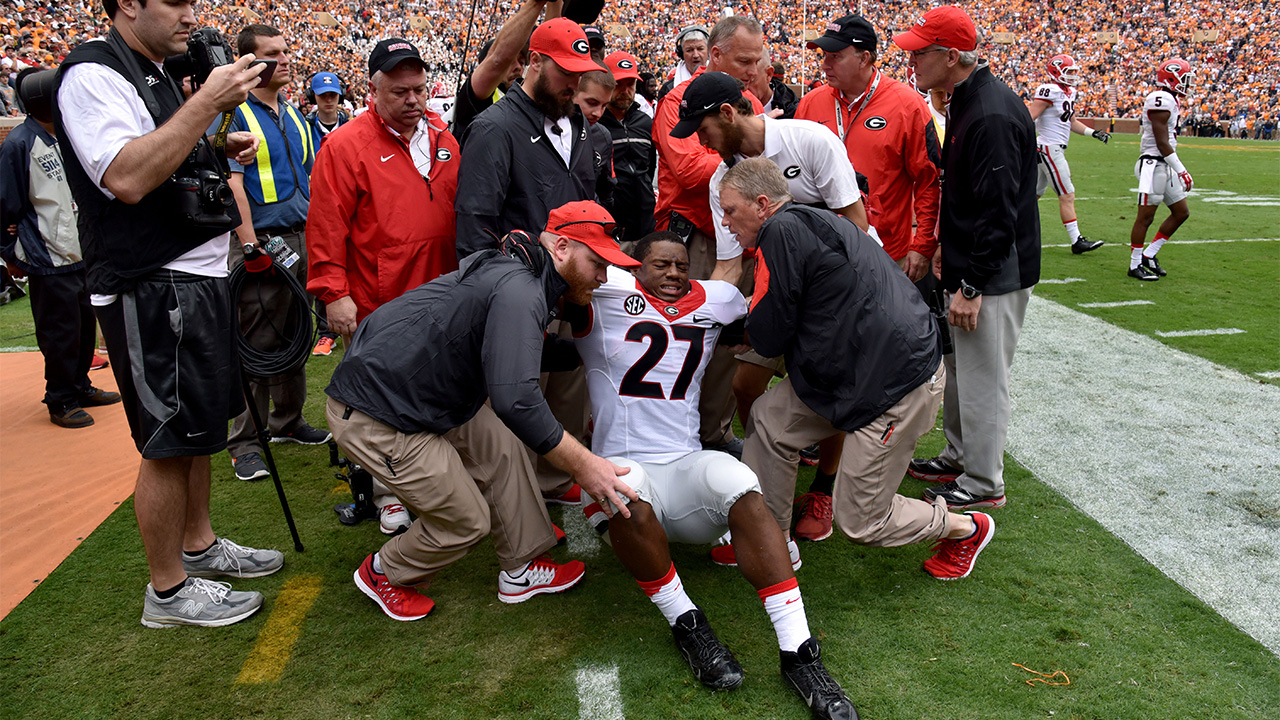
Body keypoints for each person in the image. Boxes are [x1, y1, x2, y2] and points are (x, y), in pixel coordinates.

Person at [54, 0, 283, 627]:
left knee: (200, 430)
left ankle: (199, 544)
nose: (191, 14)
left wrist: (210, 145)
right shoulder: (93, 73)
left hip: (192, 273)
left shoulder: (151, 66)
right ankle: (167, 591)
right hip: (151, 282)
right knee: (167, 442)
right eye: (176, 1)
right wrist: (206, 105)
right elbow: (126, 176)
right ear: (128, 4)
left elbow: (162, 155)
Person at [569, 232, 857, 720]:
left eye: (682, 264)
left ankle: (798, 652)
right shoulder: (606, 289)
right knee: (625, 492)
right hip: (621, 464)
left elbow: (765, 316)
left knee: (740, 484)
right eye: (661, 264)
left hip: (684, 462)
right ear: (635, 267)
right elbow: (568, 279)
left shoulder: (717, 298)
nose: (674, 273)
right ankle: (689, 625)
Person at [326, 201, 638, 621]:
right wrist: (584, 464)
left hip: (425, 392)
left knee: (502, 449)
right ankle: (385, 571)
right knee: (464, 521)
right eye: (597, 262)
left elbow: (507, 347)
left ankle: (521, 567)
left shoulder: (522, 272)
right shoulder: (521, 286)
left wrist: (584, 354)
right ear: (562, 247)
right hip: (378, 410)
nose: (603, 276)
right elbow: (517, 399)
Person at [719, 157, 995, 584]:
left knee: (862, 520)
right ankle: (773, 541)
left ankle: (965, 527)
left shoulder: (782, 229)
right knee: (771, 420)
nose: (725, 221)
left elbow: (771, 333)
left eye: (730, 210)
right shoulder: (807, 219)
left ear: (761, 204)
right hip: (859, 370)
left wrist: (726, 329)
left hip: (892, 386)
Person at [306, 38, 461, 534]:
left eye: (418, 89)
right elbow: (326, 223)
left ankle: (438, 481)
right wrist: (333, 291)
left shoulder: (443, 135)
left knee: (438, 387)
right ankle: (386, 493)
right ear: (373, 89)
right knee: (382, 401)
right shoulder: (345, 144)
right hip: (380, 297)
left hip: (440, 290)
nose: (412, 99)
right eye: (399, 91)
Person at [894, 6, 1040, 511]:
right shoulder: (970, 99)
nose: (912, 58)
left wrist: (973, 284)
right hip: (975, 264)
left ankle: (983, 482)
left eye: (920, 50)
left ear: (951, 56)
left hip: (994, 272)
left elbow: (997, 214)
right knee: (962, 371)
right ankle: (961, 454)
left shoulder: (990, 111)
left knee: (982, 377)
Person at [652, 15, 765, 460]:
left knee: (726, 342)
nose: (752, 70)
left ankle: (712, 433)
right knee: (685, 335)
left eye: (756, 60)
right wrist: (743, 155)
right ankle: (672, 431)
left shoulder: (748, 98)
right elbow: (690, 170)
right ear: (715, 55)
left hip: (737, 239)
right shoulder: (676, 100)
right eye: (743, 60)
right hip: (693, 240)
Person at [221, 23, 329, 482]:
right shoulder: (233, 114)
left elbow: (313, 180)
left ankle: (286, 421)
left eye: (285, 51)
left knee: (293, 333)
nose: (284, 59)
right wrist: (248, 245)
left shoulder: (295, 115)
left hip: (301, 237)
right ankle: (244, 441)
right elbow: (232, 183)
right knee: (257, 340)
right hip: (261, 241)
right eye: (272, 54)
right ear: (248, 62)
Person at [0, 68, 120, 429]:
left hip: (81, 250)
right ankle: (60, 398)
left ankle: (80, 385)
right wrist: (11, 252)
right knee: (60, 332)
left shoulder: (67, 136)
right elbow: (7, 204)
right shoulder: (19, 143)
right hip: (47, 256)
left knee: (84, 326)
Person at [455, 17, 606, 257]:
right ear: (535, 61)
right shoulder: (493, 128)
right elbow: (474, 235)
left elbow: (586, 196)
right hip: (520, 284)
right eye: (566, 71)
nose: (574, 84)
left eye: (580, 74)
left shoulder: (579, 125)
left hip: (575, 279)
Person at [1027, 54, 1110, 254]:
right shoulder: (1049, 90)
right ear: (1056, 71)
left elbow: (1071, 121)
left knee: (1032, 195)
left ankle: (1011, 229)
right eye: (1069, 71)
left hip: (1050, 147)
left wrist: (1093, 133)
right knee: (1067, 194)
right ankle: (1077, 240)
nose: (1073, 75)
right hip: (1049, 147)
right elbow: (1029, 117)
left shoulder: (1069, 92)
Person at [451, 0, 558, 144]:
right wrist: (537, 3)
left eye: (521, 61)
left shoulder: (524, 96)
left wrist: (555, 2)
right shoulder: (478, 96)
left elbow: (548, 55)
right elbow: (498, 60)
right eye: (510, 62)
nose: (518, 67)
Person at [1127, 58, 1194, 281]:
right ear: (1172, 78)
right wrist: (1182, 170)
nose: (1187, 83)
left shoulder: (1170, 99)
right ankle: (1134, 264)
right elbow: (1162, 142)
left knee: (1181, 212)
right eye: (1184, 79)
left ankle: (1149, 254)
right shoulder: (1160, 99)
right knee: (1145, 217)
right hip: (1151, 164)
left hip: (1162, 165)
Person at [303, 70, 351, 358]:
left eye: (333, 95)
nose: (329, 101)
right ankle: (325, 331)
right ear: (314, 98)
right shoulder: (305, 126)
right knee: (322, 265)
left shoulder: (351, 124)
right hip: (314, 203)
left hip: (345, 204)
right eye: (323, 96)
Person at [599, 51, 656, 244]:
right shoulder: (595, 123)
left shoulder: (645, 122)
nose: (625, 90)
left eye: (630, 84)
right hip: (610, 226)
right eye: (618, 84)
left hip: (645, 223)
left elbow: (650, 167)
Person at [658, 24, 708, 99]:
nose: (695, 55)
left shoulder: (722, 82)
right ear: (681, 54)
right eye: (689, 50)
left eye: (700, 49)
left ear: (709, 51)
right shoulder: (668, 90)